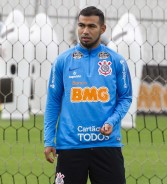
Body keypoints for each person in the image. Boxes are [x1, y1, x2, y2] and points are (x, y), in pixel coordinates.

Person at [44, 6, 132, 184]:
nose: (85, 31)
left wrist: (112, 121)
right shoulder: (62, 61)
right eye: (81, 25)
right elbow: (53, 102)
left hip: (106, 145)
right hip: (71, 145)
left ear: (102, 29)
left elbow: (125, 97)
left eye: (91, 26)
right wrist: (48, 140)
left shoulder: (116, 61)